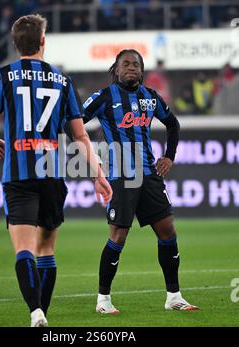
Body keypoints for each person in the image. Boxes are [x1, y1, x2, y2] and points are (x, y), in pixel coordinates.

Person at [0, 14, 112, 327]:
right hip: (52, 173)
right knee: (47, 248)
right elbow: (81, 135)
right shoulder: (63, 80)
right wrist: (98, 173)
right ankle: (44, 313)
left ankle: (35, 312)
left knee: (24, 248)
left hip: (18, 175)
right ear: (43, 41)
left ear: (15, 44)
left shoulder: (3, 75)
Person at [83, 49, 199, 314]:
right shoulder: (103, 97)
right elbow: (75, 122)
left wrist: (169, 156)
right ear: (116, 69)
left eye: (136, 64)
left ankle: (174, 296)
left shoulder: (150, 97)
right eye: (126, 63)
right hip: (120, 175)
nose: (131, 67)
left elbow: (173, 124)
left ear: (142, 70)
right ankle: (103, 299)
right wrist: (92, 160)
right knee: (119, 235)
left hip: (149, 175)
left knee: (168, 231)